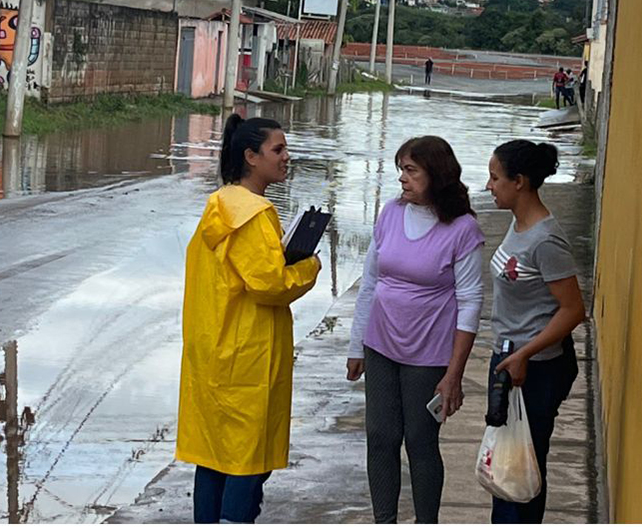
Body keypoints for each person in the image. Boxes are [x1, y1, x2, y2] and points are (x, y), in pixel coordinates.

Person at [176, 113, 322, 523]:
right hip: (249, 356)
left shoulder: (219, 206)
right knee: (246, 459)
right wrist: (308, 266)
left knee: (213, 455)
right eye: (278, 149)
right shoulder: (254, 214)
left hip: (213, 351)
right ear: (251, 157)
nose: (286, 157)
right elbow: (270, 283)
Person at [347, 136, 485, 523]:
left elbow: (471, 301)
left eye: (411, 171)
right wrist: (357, 345)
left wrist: (454, 374)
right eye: (401, 171)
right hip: (380, 345)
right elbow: (370, 283)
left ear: (436, 175)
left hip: (429, 354)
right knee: (380, 438)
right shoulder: (390, 213)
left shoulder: (462, 229)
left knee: (421, 443)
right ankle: (384, 519)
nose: (403, 180)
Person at [484, 140, 586, 524]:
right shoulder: (518, 223)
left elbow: (574, 309)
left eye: (495, 178)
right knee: (503, 464)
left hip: (536, 368)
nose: (489, 185)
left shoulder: (546, 239)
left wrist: (525, 354)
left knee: (522, 467)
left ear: (520, 182)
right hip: (510, 360)